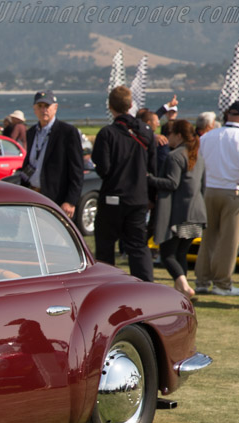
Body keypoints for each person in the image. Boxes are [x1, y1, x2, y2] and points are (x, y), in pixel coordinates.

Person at [91, 86, 156, 282]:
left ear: (110, 106)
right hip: (138, 198)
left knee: (105, 246)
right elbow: (153, 168)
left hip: (113, 196)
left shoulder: (107, 133)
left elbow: (103, 168)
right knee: (138, 246)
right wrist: (151, 197)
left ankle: (108, 286)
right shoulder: (146, 131)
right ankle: (146, 287)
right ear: (130, 105)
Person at [147, 118, 205, 299]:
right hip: (197, 214)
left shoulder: (175, 156)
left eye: (170, 133)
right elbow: (203, 186)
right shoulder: (198, 156)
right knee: (181, 253)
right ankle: (182, 291)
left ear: (178, 135)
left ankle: (186, 288)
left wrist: (148, 178)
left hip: (180, 214)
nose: (167, 137)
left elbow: (172, 183)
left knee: (168, 255)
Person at [195, 99, 239, 296]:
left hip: (210, 189)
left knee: (208, 238)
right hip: (234, 191)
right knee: (229, 240)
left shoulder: (209, 136)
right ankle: (222, 283)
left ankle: (202, 280)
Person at [22, 90, 83, 220]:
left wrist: (71, 201)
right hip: (32, 195)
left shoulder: (68, 132)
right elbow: (30, 164)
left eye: (47, 106)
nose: (44, 110)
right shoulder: (31, 132)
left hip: (56, 199)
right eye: (40, 106)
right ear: (34, 109)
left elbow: (77, 170)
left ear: (55, 108)